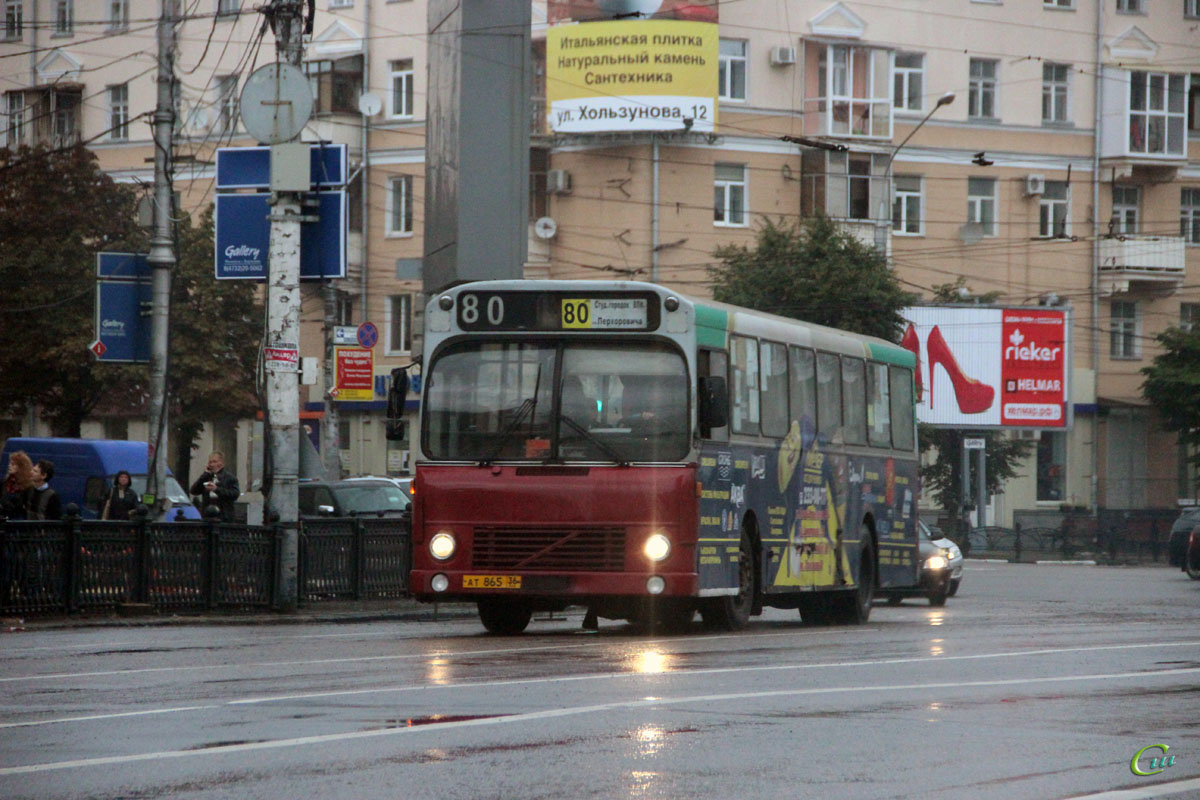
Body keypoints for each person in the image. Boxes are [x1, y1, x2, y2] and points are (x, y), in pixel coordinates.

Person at [190, 451, 240, 522]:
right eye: (210, 462)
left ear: (221, 463)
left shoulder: (230, 478)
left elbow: (235, 494)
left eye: (214, 462)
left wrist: (216, 489)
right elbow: (194, 491)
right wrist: (204, 475)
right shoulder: (206, 477)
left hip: (224, 516)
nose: (211, 464)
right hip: (207, 516)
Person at [2, 450, 34, 519]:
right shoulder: (5, 482)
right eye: (9, 464)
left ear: (21, 467)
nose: (9, 466)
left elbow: (26, 508)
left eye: (13, 464)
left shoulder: (28, 487)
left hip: (18, 521)